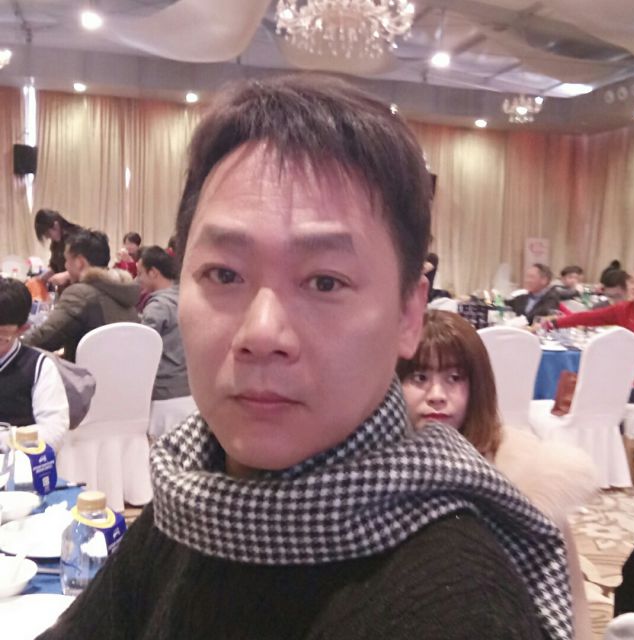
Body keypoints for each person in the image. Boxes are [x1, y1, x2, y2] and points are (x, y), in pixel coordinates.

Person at [38, 75, 571, 640]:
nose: (262, 333)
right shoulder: (197, 487)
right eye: (224, 274)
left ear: (409, 314)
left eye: (324, 281)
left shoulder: (454, 604)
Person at [397, 309, 597, 639]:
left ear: (477, 387)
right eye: (419, 378)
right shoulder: (376, 474)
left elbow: (570, 601)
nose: (437, 395)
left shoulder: (532, 477)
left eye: (454, 378)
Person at [23, 229, 139, 362]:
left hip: (86, 373)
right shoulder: (124, 292)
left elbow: (42, 339)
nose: (65, 266)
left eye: (67, 260)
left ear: (80, 263)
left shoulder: (81, 294)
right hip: (123, 371)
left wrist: (12, 344)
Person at [546, 268, 634, 403]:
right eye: (633, 282)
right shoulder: (625, 309)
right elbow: (588, 317)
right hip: (627, 379)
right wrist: (553, 323)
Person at [0, 278, 69, 451]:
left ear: (22, 329)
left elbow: (53, 432)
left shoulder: (38, 367)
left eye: (1, 337)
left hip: (15, 461)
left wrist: (6, 438)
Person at [137, 246, 189, 402]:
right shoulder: (186, 297)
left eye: (140, 274)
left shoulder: (158, 306)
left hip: (164, 392)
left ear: (153, 272)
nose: (138, 280)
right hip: (188, 388)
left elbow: (142, 349)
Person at [34, 209, 82, 289]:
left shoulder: (78, 238)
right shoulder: (56, 243)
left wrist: (66, 275)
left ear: (56, 225)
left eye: (48, 234)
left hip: (80, 289)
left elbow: (87, 268)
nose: (48, 237)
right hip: (66, 290)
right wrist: (41, 278)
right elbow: (54, 267)